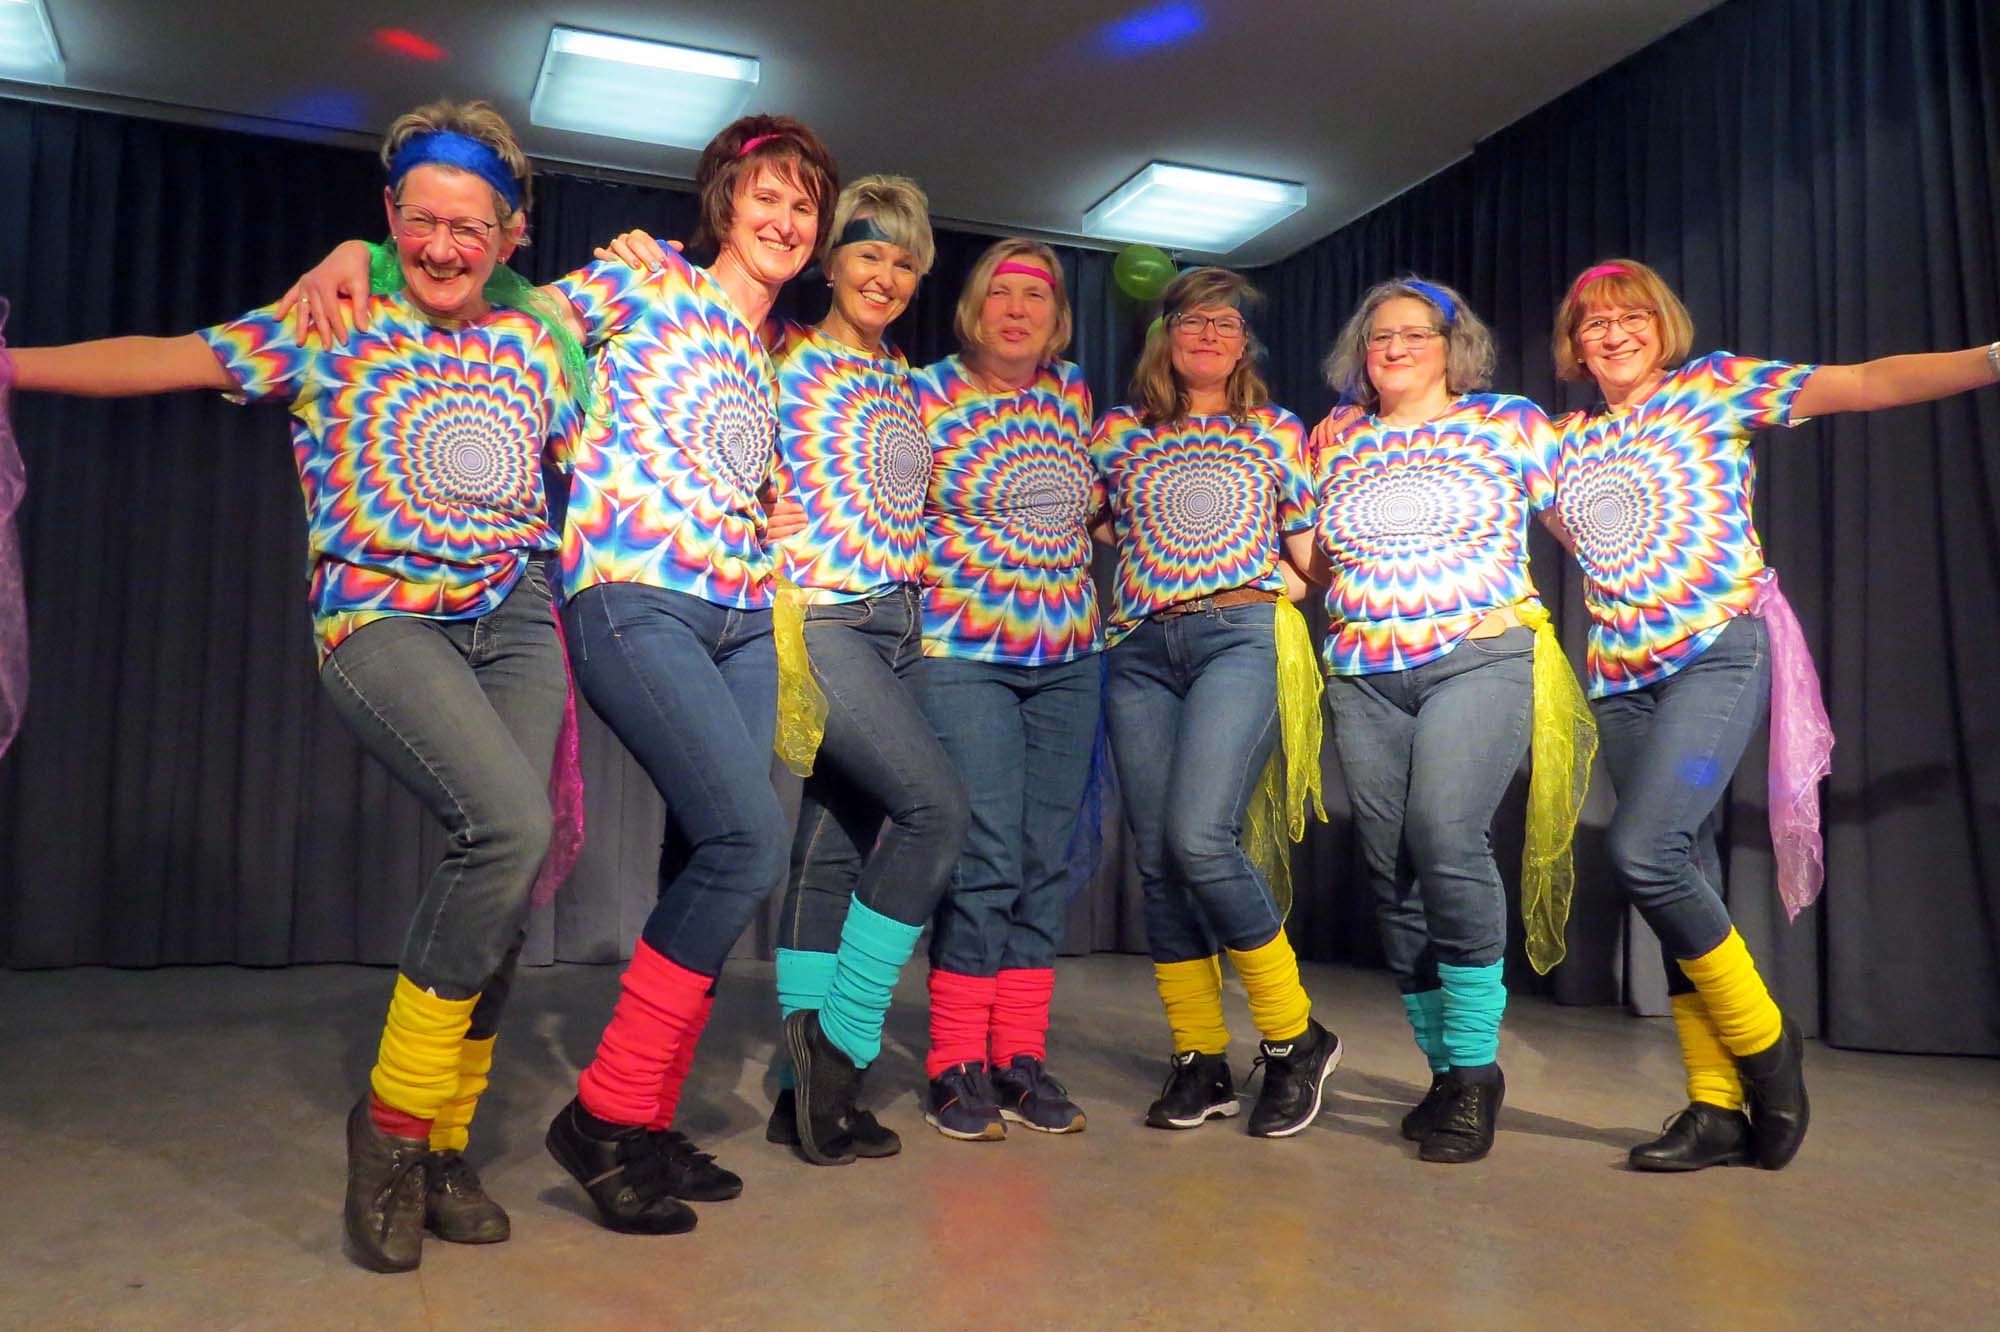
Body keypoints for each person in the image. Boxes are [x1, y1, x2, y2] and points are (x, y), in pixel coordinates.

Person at [8, 100, 582, 1271]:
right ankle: (390, 1131)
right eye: (420, 221)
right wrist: (8, 366)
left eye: (469, 227)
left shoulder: (542, 338)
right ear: (389, 216)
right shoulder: (336, 315)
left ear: (510, 235)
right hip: (380, 618)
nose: (441, 247)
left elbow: (653, 348)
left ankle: (445, 1145)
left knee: (510, 882)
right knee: (508, 826)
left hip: (516, 615)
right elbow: (169, 357)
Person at [284, 113, 841, 1227]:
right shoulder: (644, 279)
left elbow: (721, 457)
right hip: (633, 594)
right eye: (766, 196)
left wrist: (766, 500)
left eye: (803, 207)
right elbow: (486, 310)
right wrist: (364, 256)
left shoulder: (773, 352)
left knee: (708, 855)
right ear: (725, 201)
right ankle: (603, 1115)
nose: (784, 220)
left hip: (740, 610)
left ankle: (643, 1122)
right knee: (748, 842)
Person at [1550, 258, 2000, 1172]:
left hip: (1716, 654)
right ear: (1575, 345)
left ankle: (1766, 1043)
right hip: (1618, 679)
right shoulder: (1563, 440)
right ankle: (1713, 1106)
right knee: (1684, 874)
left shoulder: (1714, 388)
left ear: (1662, 327)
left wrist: (1991, 359)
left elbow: (1864, 382)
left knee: (1644, 850)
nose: (1615, 333)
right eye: (1595, 322)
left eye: (1633, 317)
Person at [1306, 276, 1594, 1163]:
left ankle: (1474, 1073)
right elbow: (1314, 564)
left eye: (1415, 334)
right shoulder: (1336, 440)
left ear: (1452, 344)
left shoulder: (1507, 421)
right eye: (1379, 336)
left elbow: (1580, 526)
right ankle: (1443, 1071)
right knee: (1390, 869)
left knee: (1444, 834)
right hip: (1363, 672)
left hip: (1477, 653)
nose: (1394, 348)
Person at [1092, 266, 1336, 1138]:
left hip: (1238, 637)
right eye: (1192, 321)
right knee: (1160, 859)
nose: (1208, 335)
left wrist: (1261, 582)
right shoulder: (1120, 432)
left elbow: (1309, 563)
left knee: (1201, 836)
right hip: (1140, 649)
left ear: (1244, 348)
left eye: (1225, 324)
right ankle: (1199, 1059)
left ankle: (1294, 1036)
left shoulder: (1274, 429)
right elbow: (1087, 521)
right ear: (1164, 338)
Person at [910, 239, 1101, 1140]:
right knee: (985, 857)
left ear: (1057, 318)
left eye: (1035, 297)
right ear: (973, 307)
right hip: (963, 650)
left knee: (1044, 860)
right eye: (1000, 294)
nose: (1016, 310)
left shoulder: (1073, 395)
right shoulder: (923, 392)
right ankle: (954, 1060)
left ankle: (1018, 1055)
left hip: (1069, 654)